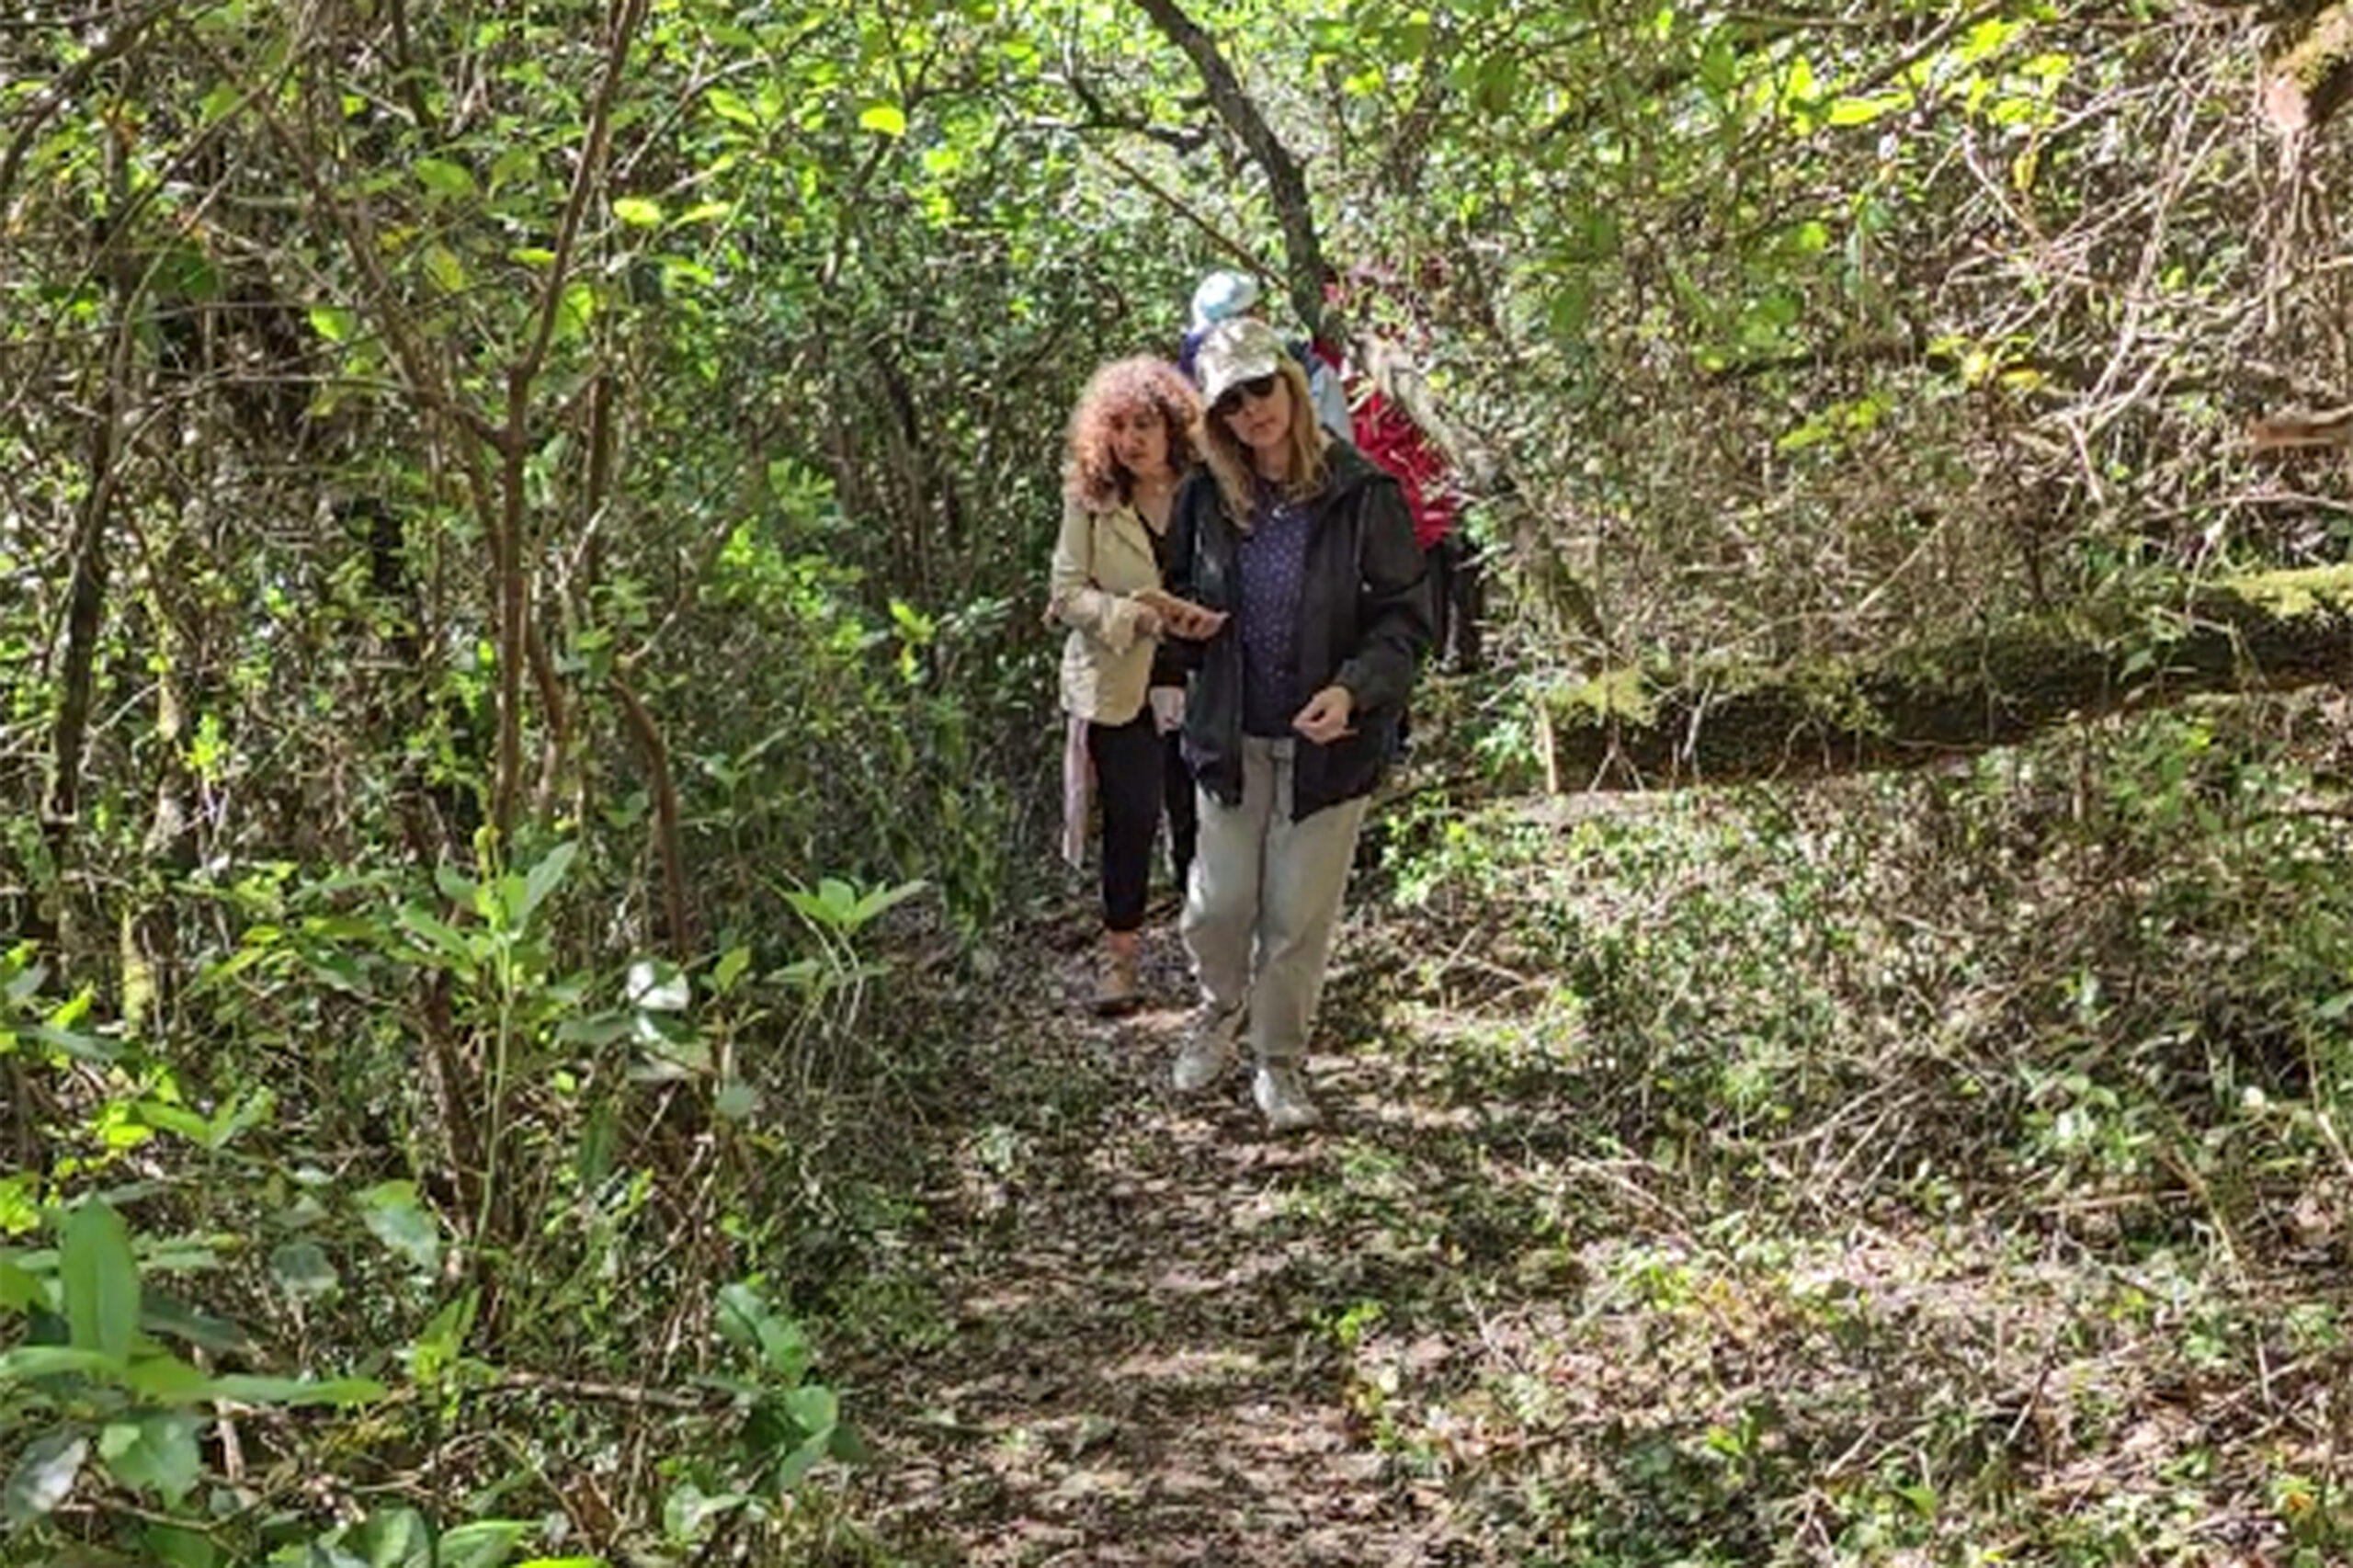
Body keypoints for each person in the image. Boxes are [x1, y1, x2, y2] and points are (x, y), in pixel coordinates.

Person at [1155, 316, 1431, 1131]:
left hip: (1329, 746)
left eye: (1260, 390)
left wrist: (1353, 690)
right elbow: (1181, 602)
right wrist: (1180, 625)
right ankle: (1219, 1006)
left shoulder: (1361, 492)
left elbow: (1407, 620)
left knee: (1293, 919)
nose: (1252, 413)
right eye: (1231, 404)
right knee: (1217, 907)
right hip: (1232, 733)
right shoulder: (1204, 498)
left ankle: (1279, 1064)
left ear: (1291, 386)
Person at [1048, 357, 1222, 1014]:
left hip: (1203, 678)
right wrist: (1131, 614)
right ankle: (1119, 961)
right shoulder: (1091, 496)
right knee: (1131, 819)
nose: (1131, 440)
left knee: (1201, 819)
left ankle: (1213, 962)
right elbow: (1066, 593)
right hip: (1120, 682)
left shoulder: (1208, 487)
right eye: (1118, 426)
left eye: (1144, 424)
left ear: (1172, 425)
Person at [1179, 270, 1351, 442]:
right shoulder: (1202, 378)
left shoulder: (1312, 372)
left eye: (1262, 387)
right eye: (1231, 401)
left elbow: (1336, 451)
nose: (1250, 408)